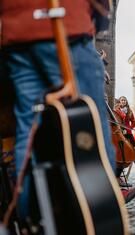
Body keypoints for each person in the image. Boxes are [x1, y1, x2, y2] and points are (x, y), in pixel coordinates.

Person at [0, 0, 116, 221]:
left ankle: (31, 222)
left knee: (29, 133)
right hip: (64, 23)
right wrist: (99, 18)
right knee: (92, 133)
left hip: (18, 32)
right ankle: (97, 216)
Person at [115, 96, 135, 172]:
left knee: (133, 149)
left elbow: (133, 122)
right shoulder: (116, 110)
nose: (123, 101)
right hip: (120, 132)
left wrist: (129, 128)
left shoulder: (129, 111)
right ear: (119, 102)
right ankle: (120, 168)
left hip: (128, 133)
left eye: (125, 100)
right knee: (121, 150)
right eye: (122, 100)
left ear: (126, 102)